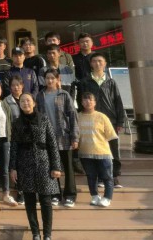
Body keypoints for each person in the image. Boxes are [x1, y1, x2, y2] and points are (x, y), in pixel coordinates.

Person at [10, 93, 61, 240]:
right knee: (29, 201)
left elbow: (52, 143)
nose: (25, 103)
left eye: (28, 100)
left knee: (46, 201)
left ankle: (47, 234)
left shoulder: (43, 119)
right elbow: (14, 147)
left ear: (34, 103)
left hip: (44, 163)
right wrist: (13, 168)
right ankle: (35, 233)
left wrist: (56, 166)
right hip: (24, 164)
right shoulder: (17, 123)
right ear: (19, 105)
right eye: (22, 101)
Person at [76, 52, 125, 187]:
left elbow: (118, 101)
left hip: (110, 119)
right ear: (91, 64)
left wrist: (120, 121)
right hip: (92, 119)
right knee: (95, 148)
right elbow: (80, 101)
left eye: (100, 61)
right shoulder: (85, 81)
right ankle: (100, 178)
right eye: (94, 61)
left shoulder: (111, 82)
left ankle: (114, 176)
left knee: (113, 149)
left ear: (105, 64)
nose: (97, 63)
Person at [36, 68, 79, 208]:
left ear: (57, 79)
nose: (49, 80)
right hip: (47, 137)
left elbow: (72, 116)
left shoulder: (64, 94)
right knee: (52, 166)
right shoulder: (40, 95)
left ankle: (70, 195)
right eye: (47, 78)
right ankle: (55, 194)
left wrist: (75, 137)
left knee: (68, 166)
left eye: (52, 78)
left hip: (64, 136)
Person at [77, 92, 118, 207]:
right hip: (85, 153)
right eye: (85, 99)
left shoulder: (102, 117)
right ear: (81, 102)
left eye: (90, 99)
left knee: (107, 177)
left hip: (102, 153)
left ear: (95, 102)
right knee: (91, 176)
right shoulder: (78, 117)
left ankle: (107, 197)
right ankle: (94, 196)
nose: (88, 102)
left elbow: (111, 136)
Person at [4, 75, 25, 204]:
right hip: (14, 136)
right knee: (17, 164)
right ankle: (20, 191)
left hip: (28, 136)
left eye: (18, 85)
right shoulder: (6, 101)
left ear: (22, 86)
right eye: (13, 85)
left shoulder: (27, 98)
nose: (16, 87)